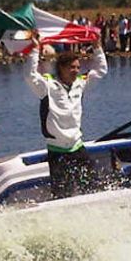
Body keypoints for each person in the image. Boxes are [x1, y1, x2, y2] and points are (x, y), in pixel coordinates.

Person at [25, 33, 107, 199]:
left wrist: (97, 47)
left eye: (78, 67)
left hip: (77, 146)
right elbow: (29, 75)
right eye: (72, 67)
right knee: (63, 194)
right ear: (61, 68)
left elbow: (101, 70)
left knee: (93, 188)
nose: (76, 71)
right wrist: (34, 49)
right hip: (57, 150)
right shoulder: (47, 85)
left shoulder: (80, 83)